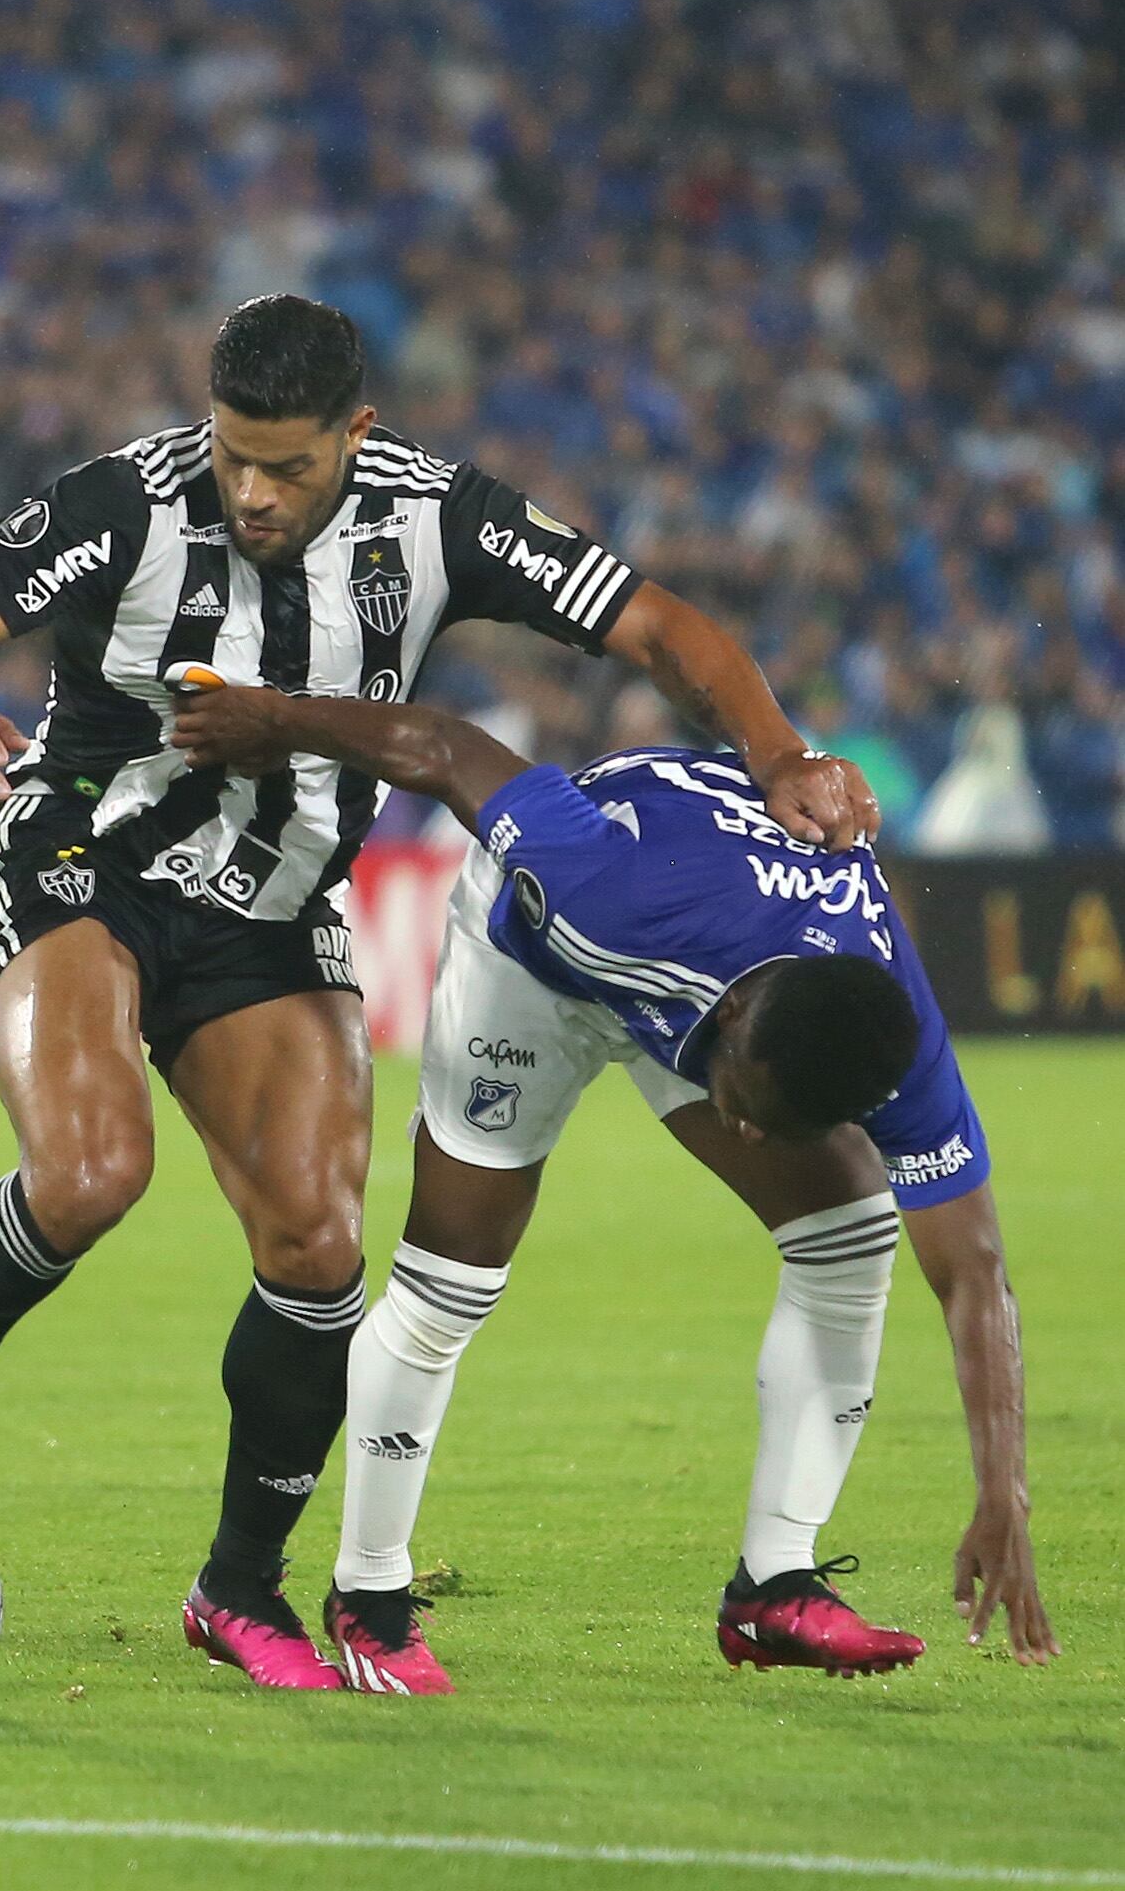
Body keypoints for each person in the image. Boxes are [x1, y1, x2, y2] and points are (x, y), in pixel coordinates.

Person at [0, 294, 877, 1689]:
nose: (250, 492)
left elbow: (654, 623)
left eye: (287, 467)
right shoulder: (126, 503)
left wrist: (778, 750)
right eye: (231, 456)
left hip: (271, 905)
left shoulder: (432, 517)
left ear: (354, 436)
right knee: (86, 1171)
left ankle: (236, 1590)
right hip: (81, 852)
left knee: (316, 1248)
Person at [172, 682, 1056, 1691]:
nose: (752, 1136)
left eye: (780, 1129)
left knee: (850, 1230)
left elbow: (975, 1269)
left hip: (699, 972)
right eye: (748, 1105)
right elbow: (447, 743)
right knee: (450, 1282)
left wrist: (1004, 1489)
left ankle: (775, 1581)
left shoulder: (886, 1027)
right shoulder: (605, 879)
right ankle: (369, 1596)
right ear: (724, 1028)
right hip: (532, 965)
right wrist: (272, 717)